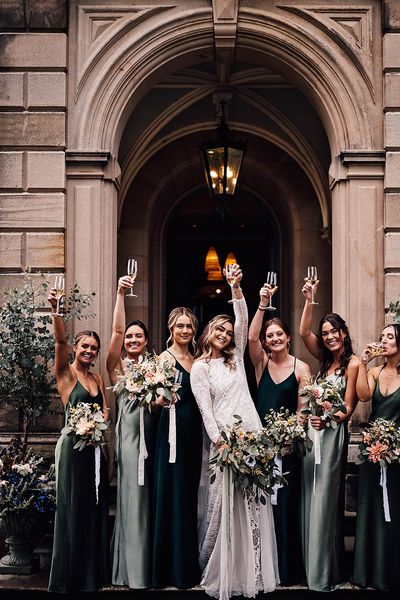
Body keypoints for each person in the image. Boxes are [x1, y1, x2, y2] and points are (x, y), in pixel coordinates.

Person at [190, 264, 279, 600]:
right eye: (220, 330)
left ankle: (252, 571)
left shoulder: (236, 359)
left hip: (253, 437)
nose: (226, 334)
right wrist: (220, 442)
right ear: (209, 331)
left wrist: (236, 287)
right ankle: (221, 568)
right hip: (225, 443)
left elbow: (242, 320)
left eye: (228, 332)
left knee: (253, 505)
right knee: (223, 506)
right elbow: (205, 411)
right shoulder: (201, 368)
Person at [47, 288, 111, 593]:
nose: (89, 351)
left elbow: (105, 410)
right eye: (85, 346)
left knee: (92, 510)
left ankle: (90, 576)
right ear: (75, 347)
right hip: (73, 451)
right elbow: (58, 341)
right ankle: (69, 579)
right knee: (72, 509)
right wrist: (57, 310)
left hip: (95, 452)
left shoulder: (97, 379)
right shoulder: (66, 375)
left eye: (94, 348)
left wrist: (102, 421)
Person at [299, 279, 359, 592]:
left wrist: (327, 417)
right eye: (325, 334)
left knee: (324, 501)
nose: (329, 337)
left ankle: (323, 574)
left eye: (334, 331)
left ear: (344, 333)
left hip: (333, 436)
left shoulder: (352, 363)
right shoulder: (324, 362)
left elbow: (348, 407)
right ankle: (315, 569)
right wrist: (310, 300)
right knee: (311, 499)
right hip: (313, 438)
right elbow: (302, 333)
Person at [248, 283, 310, 586]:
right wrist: (262, 304)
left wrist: (290, 437)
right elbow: (249, 337)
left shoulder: (302, 368)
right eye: (269, 336)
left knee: (285, 507)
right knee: (261, 507)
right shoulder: (261, 363)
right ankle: (260, 568)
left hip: (287, 449)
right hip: (260, 449)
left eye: (278, 334)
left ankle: (286, 569)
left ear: (287, 338)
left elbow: (303, 410)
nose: (274, 339)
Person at [107, 275, 157, 589]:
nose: (133, 340)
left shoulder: (155, 367)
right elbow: (114, 331)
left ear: (147, 341)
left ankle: (150, 564)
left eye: (138, 337)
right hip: (129, 440)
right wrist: (121, 294)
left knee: (151, 498)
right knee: (133, 498)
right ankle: (132, 569)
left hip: (153, 438)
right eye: (129, 337)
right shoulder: (118, 368)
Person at [152, 307, 203, 589]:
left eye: (189, 327)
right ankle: (168, 569)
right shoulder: (165, 358)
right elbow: (154, 399)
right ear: (171, 329)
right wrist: (161, 400)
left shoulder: (196, 359)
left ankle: (186, 565)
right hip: (171, 433)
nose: (185, 331)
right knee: (171, 495)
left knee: (187, 496)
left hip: (193, 433)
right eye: (180, 326)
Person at [352, 323, 400, 592]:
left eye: (389, 337)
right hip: (372, 452)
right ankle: (368, 573)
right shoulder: (374, 370)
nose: (383, 340)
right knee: (371, 511)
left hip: (397, 457)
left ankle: (390, 573)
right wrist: (362, 361)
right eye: (382, 336)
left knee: (393, 513)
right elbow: (362, 395)